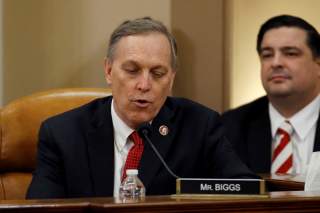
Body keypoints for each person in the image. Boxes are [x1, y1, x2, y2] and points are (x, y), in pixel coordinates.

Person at [27, 17, 255, 199]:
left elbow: (245, 188)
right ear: (108, 71)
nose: (144, 85)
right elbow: (41, 209)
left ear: (172, 78)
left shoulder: (199, 125)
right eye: (132, 70)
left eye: (158, 74)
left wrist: (196, 191)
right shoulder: (62, 134)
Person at [222, 15, 320, 174]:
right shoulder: (230, 127)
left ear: (318, 64)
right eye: (267, 55)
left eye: (290, 53)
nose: (276, 63)